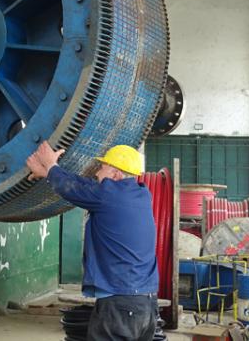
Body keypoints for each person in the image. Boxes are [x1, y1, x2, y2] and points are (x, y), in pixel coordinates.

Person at [26, 142, 159, 341]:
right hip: (146, 304)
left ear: (115, 174)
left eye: (102, 168)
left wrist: (51, 165)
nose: (97, 173)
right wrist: (49, 174)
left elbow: (72, 189)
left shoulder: (108, 196)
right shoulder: (141, 194)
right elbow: (87, 187)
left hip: (121, 304)